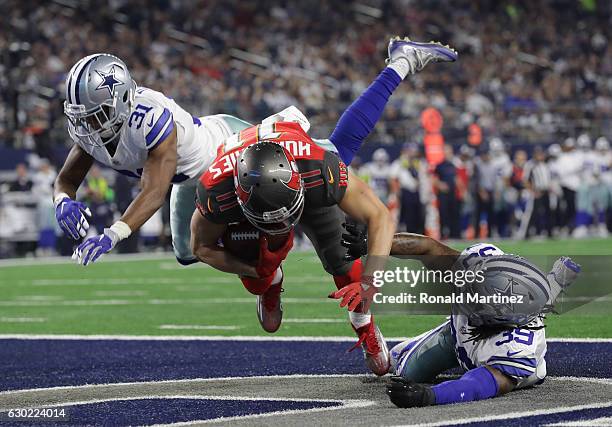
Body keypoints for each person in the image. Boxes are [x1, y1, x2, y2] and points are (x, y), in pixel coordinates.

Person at [190, 37, 458, 376]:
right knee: (259, 270)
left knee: (348, 268)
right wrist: (255, 270)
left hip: (296, 170)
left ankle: (364, 325)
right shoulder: (217, 192)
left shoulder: (319, 169)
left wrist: (371, 282)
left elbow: (379, 216)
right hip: (248, 199)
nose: (285, 224)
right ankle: (270, 281)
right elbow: (199, 247)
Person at [341, 227, 580, 407]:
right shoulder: (483, 267)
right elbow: (429, 248)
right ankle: (556, 280)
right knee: (400, 368)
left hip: (485, 346)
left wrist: (429, 396)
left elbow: (477, 386)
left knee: (407, 374)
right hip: (463, 331)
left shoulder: (515, 349)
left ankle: (557, 280)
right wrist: (375, 244)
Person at [53, 53, 252, 266]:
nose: (87, 125)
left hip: (228, 146)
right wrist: (62, 201)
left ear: (120, 100)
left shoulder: (150, 118)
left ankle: (269, 280)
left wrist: (113, 234)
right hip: (190, 179)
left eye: (95, 115)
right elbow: (67, 180)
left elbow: (155, 192)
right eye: (82, 118)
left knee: (259, 228)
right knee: (187, 252)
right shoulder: (93, 131)